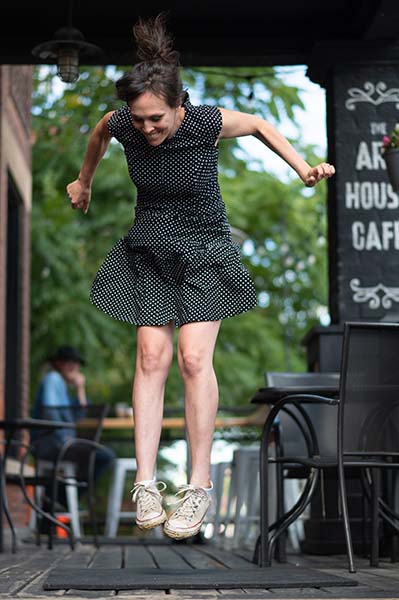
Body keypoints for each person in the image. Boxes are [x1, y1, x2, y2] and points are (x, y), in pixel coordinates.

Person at [66, 14, 335, 540]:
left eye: (157, 118)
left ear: (178, 105)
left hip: (206, 249)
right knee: (151, 356)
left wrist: (303, 167)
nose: (147, 128)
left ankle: (198, 488)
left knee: (193, 358)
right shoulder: (122, 124)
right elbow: (100, 133)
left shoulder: (206, 122)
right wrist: (84, 181)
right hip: (149, 250)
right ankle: (146, 484)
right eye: (140, 119)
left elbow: (260, 124)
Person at [31, 345, 115, 509]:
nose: (73, 366)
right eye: (68, 362)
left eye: (76, 363)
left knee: (101, 456)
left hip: (61, 443)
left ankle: (59, 498)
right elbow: (50, 411)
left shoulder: (63, 387)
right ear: (58, 363)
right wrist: (65, 437)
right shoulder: (53, 379)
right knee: (104, 456)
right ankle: (62, 499)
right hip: (50, 444)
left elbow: (80, 415)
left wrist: (80, 389)